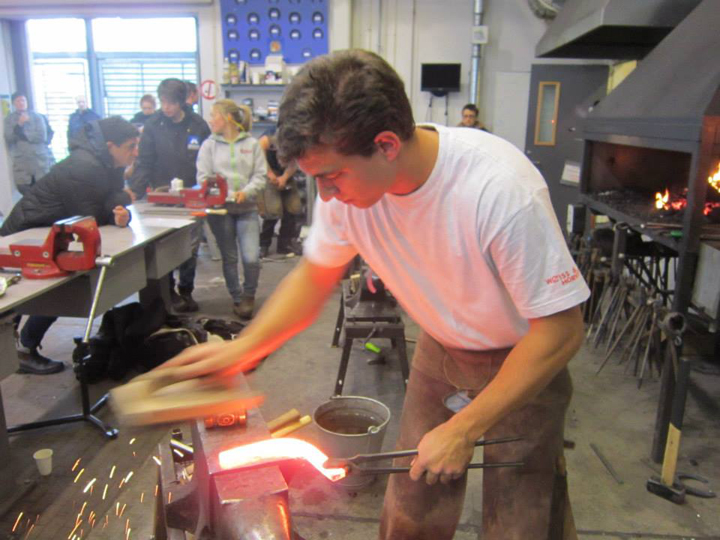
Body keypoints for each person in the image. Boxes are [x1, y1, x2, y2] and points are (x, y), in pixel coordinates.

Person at [155, 50, 589, 539]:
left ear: (386, 145)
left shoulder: (499, 190)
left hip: (525, 360)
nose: (325, 195)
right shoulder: (346, 188)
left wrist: (465, 428)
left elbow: (559, 332)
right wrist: (244, 348)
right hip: (441, 350)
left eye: (331, 176)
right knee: (411, 507)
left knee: (522, 520)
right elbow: (315, 275)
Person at [1, 116, 137, 375]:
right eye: (130, 146)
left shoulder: (108, 164)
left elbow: (110, 204)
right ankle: (18, 350)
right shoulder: (84, 166)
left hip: (48, 233)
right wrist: (120, 201)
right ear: (110, 146)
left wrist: (122, 213)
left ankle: (25, 346)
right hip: (23, 236)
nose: (135, 152)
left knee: (62, 291)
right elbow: (90, 215)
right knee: (23, 297)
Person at [129, 78, 211, 312]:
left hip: (193, 195)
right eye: (163, 102)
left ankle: (186, 290)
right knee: (164, 247)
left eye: (171, 103)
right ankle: (169, 291)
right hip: (162, 195)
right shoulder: (153, 125)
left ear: (182, 101)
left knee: (190, 247)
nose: (166, 107)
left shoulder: (198, 125)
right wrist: (134, 191)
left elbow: (208, 159)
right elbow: (144, 161)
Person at [196, 99, 266, 319]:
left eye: (213, 115)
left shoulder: (252, 144)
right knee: (230, 257)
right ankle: (237, 298)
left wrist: (246, 191)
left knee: (251, 257)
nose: (210, 120)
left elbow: (260, 175)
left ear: (226, 117)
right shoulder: (209, 146)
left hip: (247, 208)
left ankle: (249, 295)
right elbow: (203, 178)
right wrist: (225, 194)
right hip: (221, 210)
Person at [258, 125, 304, 258]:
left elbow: (296, 161)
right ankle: (264, 244)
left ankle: (285, 244)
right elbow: (259, 155)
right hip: (269, 170)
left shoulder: (298, 139)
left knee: (293, 208)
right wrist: (270, 174)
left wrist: (284, 177)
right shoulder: (268, 138)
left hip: (286, 172)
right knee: (272, 210)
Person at [3, 91, 53, 194]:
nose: (21, 103)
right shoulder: (9, 119)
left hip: (39, 161)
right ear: (14, 103)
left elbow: (42, 136)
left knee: (45, 191)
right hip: (22, 163)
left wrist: (23, 134)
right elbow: (9, 137)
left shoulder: (38, 117)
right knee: (25, 191)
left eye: (23, 100)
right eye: (18, 101)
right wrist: (19, 124)